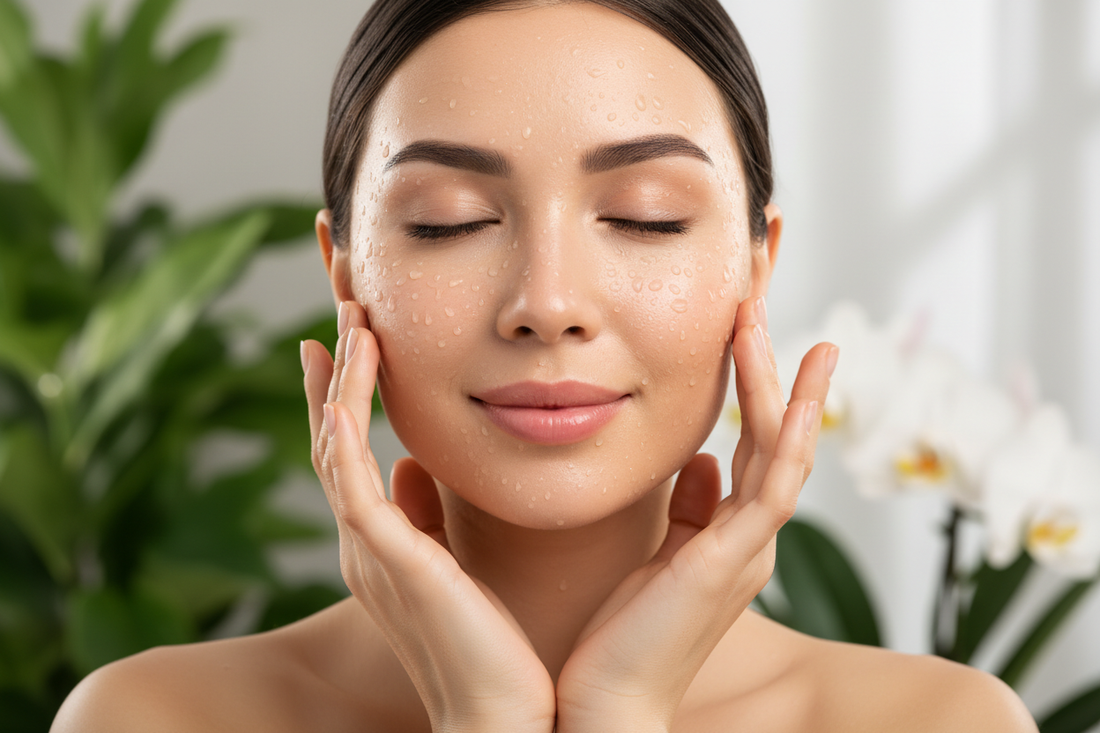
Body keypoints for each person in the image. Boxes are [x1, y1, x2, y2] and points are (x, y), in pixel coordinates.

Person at [53, 1, 1038, 730]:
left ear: (754, 264)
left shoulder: (943, 724)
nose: (548, 304)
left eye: (646, 215)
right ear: (343, 274)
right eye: (451, 222)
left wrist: (619, 711)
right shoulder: (148, 717)